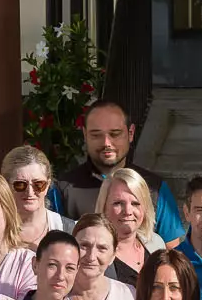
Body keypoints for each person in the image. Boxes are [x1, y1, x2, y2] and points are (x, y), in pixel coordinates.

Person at [60, 100, 188, 243]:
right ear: (85, 135)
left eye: (115, 134)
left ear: (131, 133)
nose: (106, 143)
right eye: (96, 135)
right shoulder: (63, 189)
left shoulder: (155, 188)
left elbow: (171, 251)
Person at [97, 167, 170, 284]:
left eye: (135, 203)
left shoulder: (156, 244)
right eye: (118, 203)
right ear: (104, 207)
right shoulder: (92, 253)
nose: (128, 211)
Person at [67, 214, 138, 300]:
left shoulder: (130, 296)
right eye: (84, 245)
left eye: (102, 248)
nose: (91, 257)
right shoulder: (53, 294)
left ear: (113, 255)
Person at [3, 146, 70, 248]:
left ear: (47, 185)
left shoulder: (69, 229)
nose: (30, 192)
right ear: (6, 186)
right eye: (20, 185)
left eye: (38, 184)